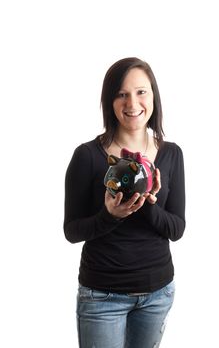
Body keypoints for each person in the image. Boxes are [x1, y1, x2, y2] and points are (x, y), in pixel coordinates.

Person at [63, 57, 186, 348]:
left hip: (158, 294)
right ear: (110, 101)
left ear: (153, 96)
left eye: (141, 91)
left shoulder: (171, 154)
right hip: (102, 296)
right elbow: (72, 231)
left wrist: (150, 206)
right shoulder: (88, 156)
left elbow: (177, 228)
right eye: (122, 94)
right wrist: (109, 215)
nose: (133, 103)